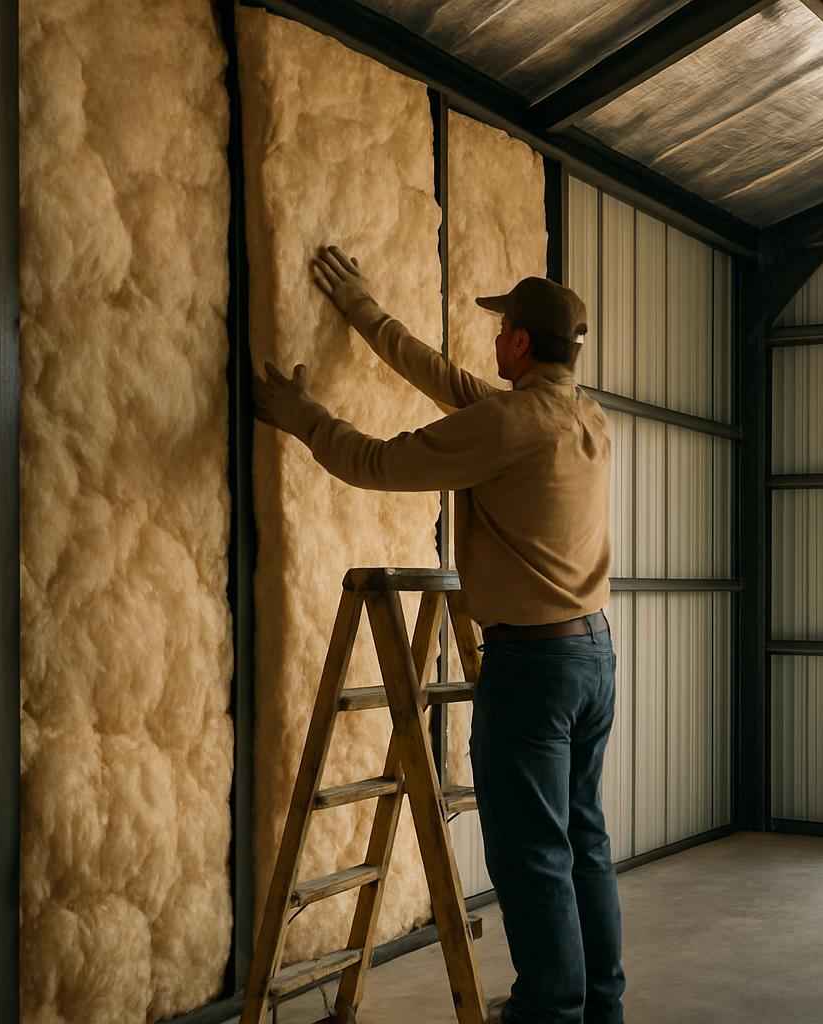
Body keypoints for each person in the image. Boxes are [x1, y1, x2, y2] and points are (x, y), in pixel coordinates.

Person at [253, 245, 624, 1024]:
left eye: (502, 330)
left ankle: (550, 1013)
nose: (492, 343)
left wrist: (299, 416)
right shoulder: (582, 417)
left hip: (535, 670)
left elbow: (375, 463)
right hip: (592, 656)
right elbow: (453, 386)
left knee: (534, 858)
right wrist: (363, 312)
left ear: (521, 343)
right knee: (583, 844)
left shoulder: (512, 422)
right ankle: (599, 1009)